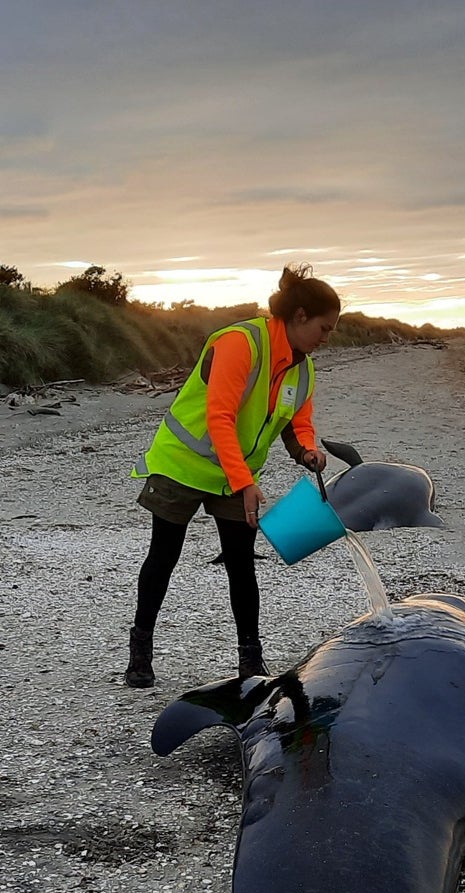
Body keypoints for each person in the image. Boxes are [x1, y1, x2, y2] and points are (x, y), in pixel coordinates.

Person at [122, 264, 340, 688]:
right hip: (181, 465)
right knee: (164, 556)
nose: (327, 338)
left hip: (233, 476)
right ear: (299, 316)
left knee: (242, 565)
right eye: (324, 328)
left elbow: (297, 422)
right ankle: (140, 652)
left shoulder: (303, 368)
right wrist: (246, 483)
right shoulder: (241, 342)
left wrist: (307, 452)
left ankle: (251, 661)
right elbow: (219, 417)